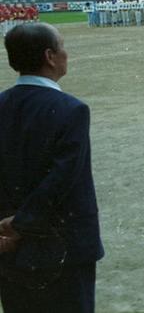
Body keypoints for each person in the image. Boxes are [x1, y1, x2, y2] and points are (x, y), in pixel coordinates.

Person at [0, 23, 104, 313]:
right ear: (50, 56)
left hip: (8, 242)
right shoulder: (72, 109)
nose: (66, 53)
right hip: (64, 243)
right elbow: (62, 178)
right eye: (62, 47)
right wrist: (23, 223)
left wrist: (10, 225)